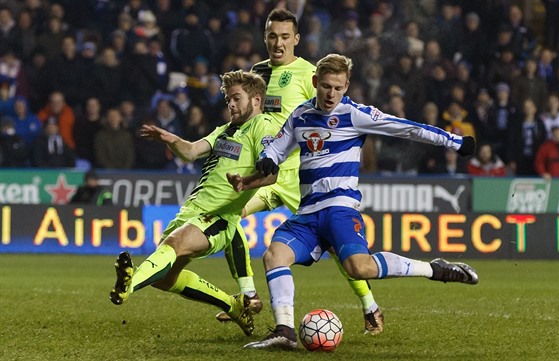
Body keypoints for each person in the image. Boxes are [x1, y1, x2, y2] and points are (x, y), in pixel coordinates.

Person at [227, 54, 478, 349]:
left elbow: (407, 127)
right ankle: (285, 331)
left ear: (346, 86)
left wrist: (455, 142)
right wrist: (267, 158)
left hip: (339, 209)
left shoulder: (356, 115)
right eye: (326, 87)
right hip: (307, 212)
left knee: (360, 269)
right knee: (274, 256)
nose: (331, 94)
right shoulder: (300, 116)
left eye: (338, 88)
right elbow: (276, 147)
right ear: (315, 82)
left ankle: (435, 269)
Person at [215, 9, 385, 336]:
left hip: (302, 178)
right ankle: (248, 295)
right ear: (265, 38)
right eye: (272, 36)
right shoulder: (257, 72)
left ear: (295, 39)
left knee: (337, 248)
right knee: (227, 216)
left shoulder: (309, 74)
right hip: (265, 175)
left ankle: (370, 307)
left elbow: (329, 118)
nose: (278, 43)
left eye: (284, 37)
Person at [109, 70, 279, 337]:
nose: (231, 105)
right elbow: (190, 152)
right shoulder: (225, 131)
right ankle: (233, 305)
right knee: (165, 279)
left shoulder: (263, 126)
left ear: (257, 100)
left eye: (236, 98)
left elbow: (271, 173)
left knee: (173, 246)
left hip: (219, 216)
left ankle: (129, 286)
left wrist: (246, 182)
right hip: (191, 210)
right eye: (228, 100)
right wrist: (170, 139)